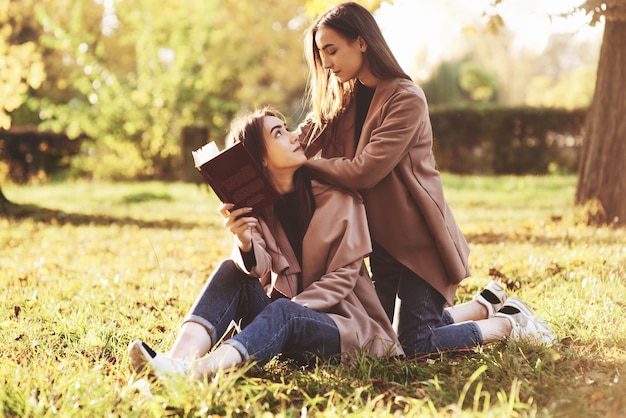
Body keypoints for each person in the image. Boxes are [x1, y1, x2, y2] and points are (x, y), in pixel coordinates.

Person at [297, 1, 555, 356]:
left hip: (420, 243)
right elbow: (299, 141)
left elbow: (364, 172)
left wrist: (306, 165)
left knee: (415, 345)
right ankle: (485, 305)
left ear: (361, 42)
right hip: (382, 243)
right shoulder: (345, 100)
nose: (326, 63)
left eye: (331, 50)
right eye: (321, 54)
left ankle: (509, 323)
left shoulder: (406, 98)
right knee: (379, 340)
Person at [128, 107, 404, 381]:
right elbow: (258, 267)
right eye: (279, 134)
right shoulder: (258, 208)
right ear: (260, 159)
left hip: (345, 329)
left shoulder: (339, 196)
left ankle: (198, 371)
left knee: (285, 312)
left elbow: (342, 279)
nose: (295, 137)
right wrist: (244, 240)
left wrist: (287, 310)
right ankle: (175, 361)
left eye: (286, 129)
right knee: (231, 269)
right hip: (286, 326)